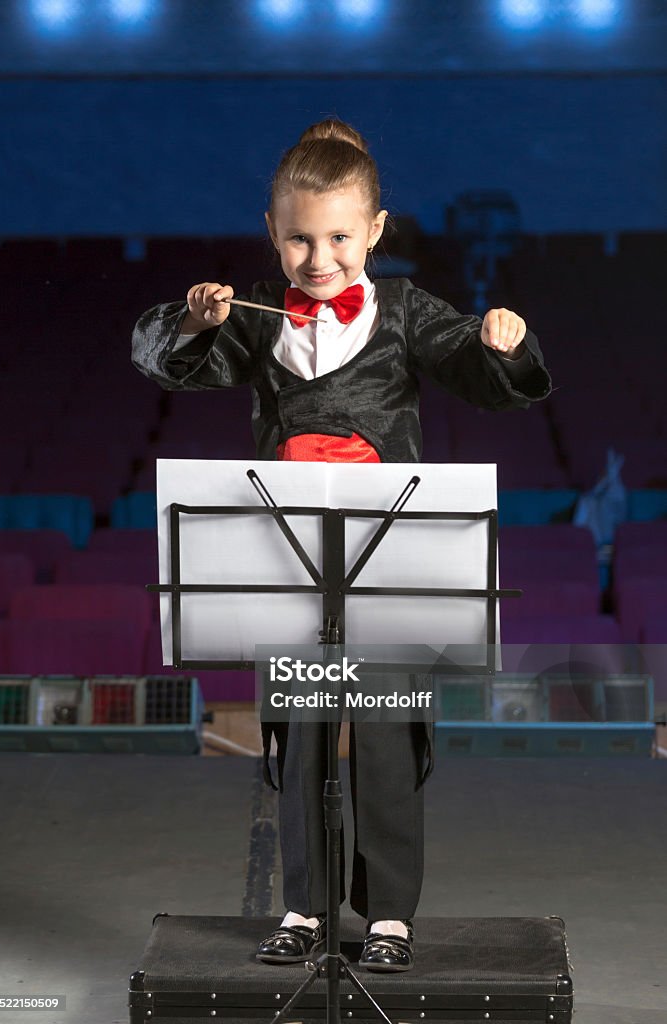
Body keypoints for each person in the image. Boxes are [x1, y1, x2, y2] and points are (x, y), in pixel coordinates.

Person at [132, 118, 551, 972]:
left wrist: (501, 341)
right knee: (300, 739)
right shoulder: (256, 318)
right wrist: (189, 319)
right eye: (297, 238)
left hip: (386, 557)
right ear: (271, 235)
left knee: (390, 737)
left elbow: (484, 376)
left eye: (337, 238)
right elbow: (167, 359)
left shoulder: (402, 311)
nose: (317, 258)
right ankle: (304, 907)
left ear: (375, 232)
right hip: (287, 560)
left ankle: (389, 917)